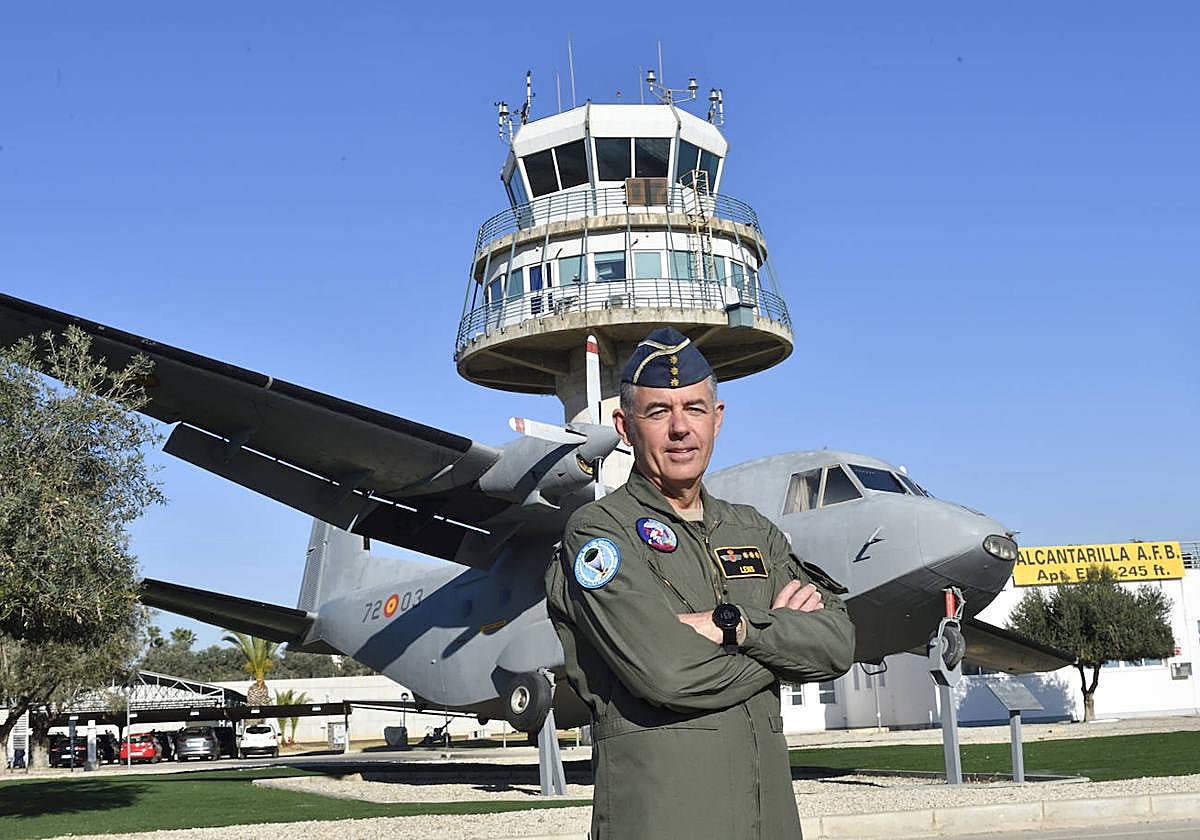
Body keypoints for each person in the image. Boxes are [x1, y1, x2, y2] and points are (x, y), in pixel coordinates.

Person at [545, 326, 856, 840]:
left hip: (769, 820)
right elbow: (666, 672)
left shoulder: (752, 529)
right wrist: (780, 644)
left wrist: (734, 628)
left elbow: (838, 644)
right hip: (662, 819)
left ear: (718, 418)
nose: (679, 429)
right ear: (624, 426)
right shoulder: (601, 533)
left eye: (693, 408)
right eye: (658, 412)